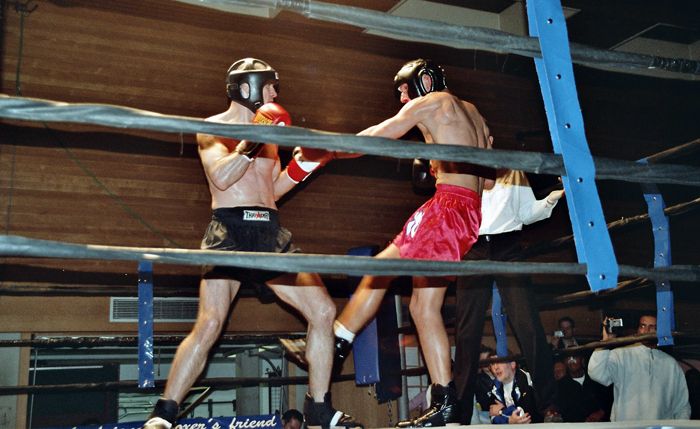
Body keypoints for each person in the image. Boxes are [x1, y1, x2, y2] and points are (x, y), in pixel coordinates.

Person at [143, 58, 361, 429]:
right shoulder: (213, 128)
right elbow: (222, 176)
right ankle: (163, 414)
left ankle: (319, 409)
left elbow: (271, 190)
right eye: (271, 86)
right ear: (246, 88)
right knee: (210, 323)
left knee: (323, 311)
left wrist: (302, 169)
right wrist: (252, 140)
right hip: (229, 230)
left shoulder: (271, 135)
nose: (276, 94)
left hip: (269, 232)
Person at [326, 58, 490, 427]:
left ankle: (334, 342)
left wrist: (330, 149)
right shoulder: (474, 112)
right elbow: (490, 178)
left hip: (446, 207)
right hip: (469, 214)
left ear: (425, 80)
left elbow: (381, 134)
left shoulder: (431, 102)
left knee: (378, 269)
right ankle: (446, 403)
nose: (401, 97)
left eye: (403, 88)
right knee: (422, 307)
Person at [453, 169, 564, 423]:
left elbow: (526, 213)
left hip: (508, 246)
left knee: (528, 325)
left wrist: (551, 199)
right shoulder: (464, 167)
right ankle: (460, 412)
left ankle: (549, 405)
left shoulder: (513, 170)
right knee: (466, 331)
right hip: (474, 246)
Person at [588, 314, 691, 421]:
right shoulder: (621, 355)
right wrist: (605, 342)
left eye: (652, 327)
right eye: (643, 326)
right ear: (637, 329)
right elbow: (596, 374)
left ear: (659, 331)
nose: (646, 330)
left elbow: (682, 405)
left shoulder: (670, 364)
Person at [487, 353, 541, 424]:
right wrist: (509, 420)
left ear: (512, 364)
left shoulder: (526, 381)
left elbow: (525, 416)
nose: (496, 367)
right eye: (493, 364)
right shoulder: (495, 389)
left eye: (499, 362)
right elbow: (493, 418)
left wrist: (501, 411)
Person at [554, 354, 609, 422]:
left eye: (574, 356)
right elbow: (561, 411)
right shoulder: (560, 386)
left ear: (582, 360)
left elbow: (610, 398)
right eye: (568, 357)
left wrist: (601, 412)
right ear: (564, 363)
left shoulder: (596, 378)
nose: (571, 360)